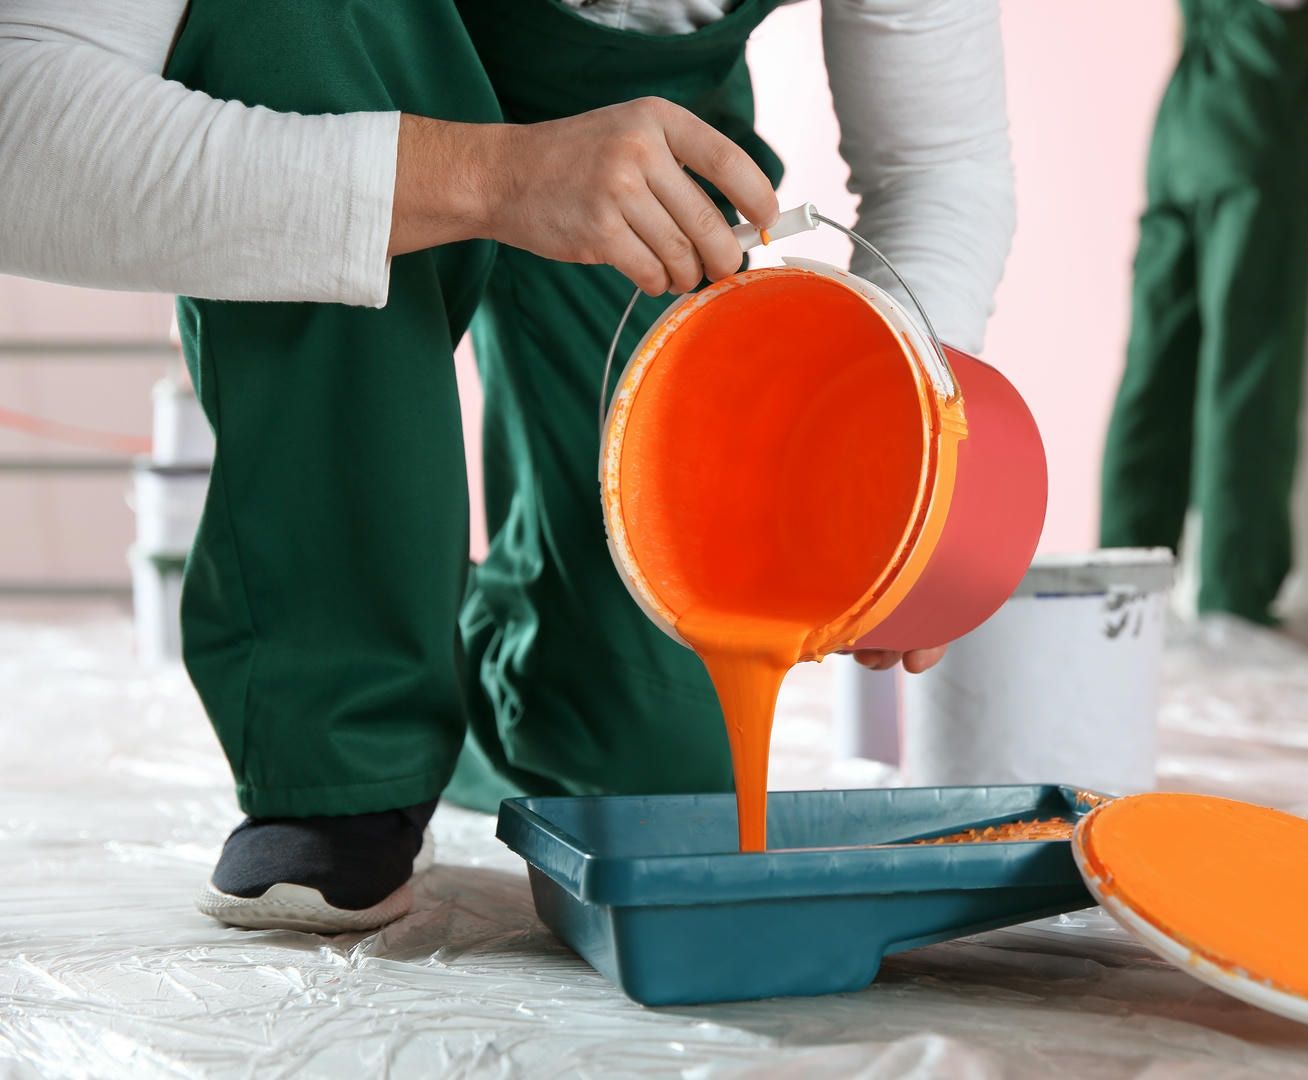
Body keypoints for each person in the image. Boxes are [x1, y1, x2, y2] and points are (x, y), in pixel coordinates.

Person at [0, 0, 1013, 931]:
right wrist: (492, 177)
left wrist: (899, 436)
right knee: (294, 23)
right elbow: (19, 123)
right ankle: (344, 740)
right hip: (347, 71)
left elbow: (939, 165)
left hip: (642, 151)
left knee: (647, 763)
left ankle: (500, 674)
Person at [1098, 0, 1308, 625]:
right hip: (1253, 106)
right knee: (1249, 365)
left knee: (1153, 365)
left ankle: (1120, 599)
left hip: (1180, 118)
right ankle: (1235, 599)